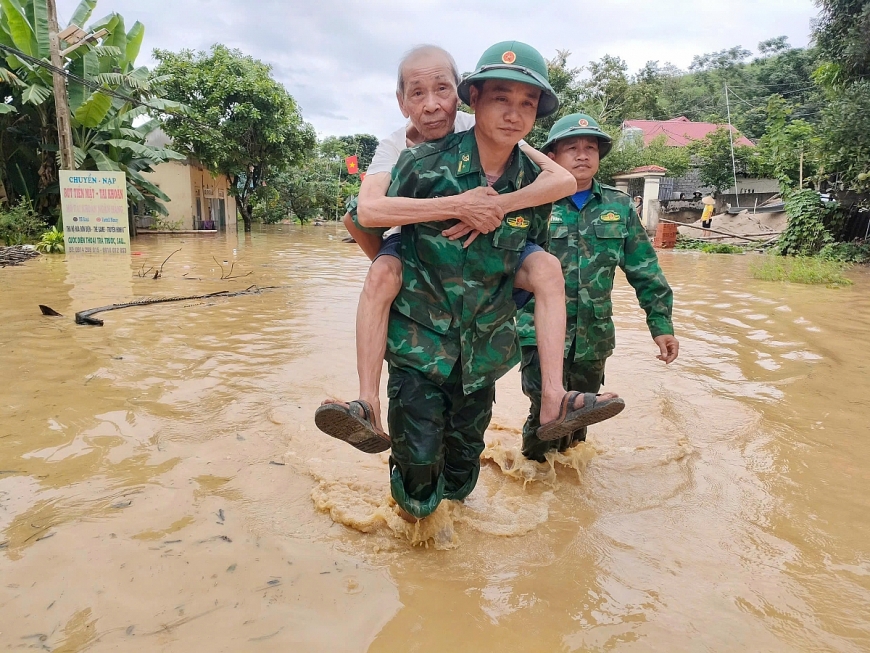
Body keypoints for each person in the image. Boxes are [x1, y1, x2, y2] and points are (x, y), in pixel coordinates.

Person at [315, 45, 616, 455]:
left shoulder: (484, 125)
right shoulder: (396, 149)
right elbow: (364, 212)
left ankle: (553, 397)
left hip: (491, 250)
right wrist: (455, 210)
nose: (432, 105)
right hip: (415, 237)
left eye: (442, 89)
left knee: (547, 268)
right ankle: (368, 401)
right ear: (402, 102)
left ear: (461, 95)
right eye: (417, 93)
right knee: (383, 274)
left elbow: (560, 179)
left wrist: (496, 206)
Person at [517, 113, 679, 463]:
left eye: (590, 148)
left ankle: (569, 482)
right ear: (552, 157)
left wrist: (661, 325)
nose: (582, 155)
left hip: (593, 335)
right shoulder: (534, 203)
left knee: (581, 416)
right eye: (572, 148)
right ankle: (532, 475)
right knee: (545, 410)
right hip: (538, 331)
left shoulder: (618, 206)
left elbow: (645, 269)